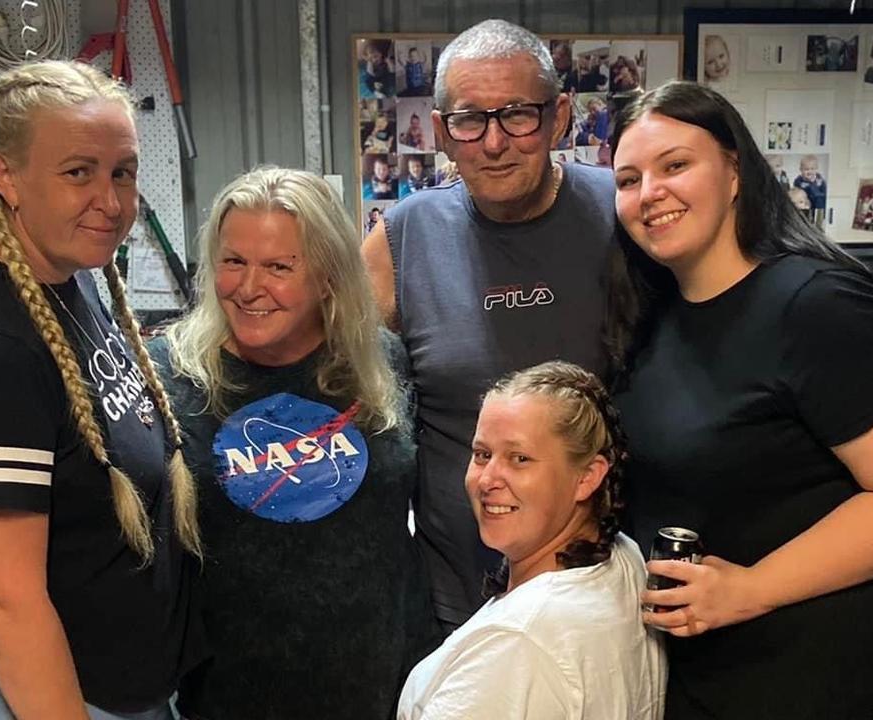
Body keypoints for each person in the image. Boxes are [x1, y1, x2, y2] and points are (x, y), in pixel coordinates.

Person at [609, 81, 873, 718]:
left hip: (812, 666)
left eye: (675, 166)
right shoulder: (661, 316)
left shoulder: (818, 304)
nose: (649, 194)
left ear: (735, 172)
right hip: (708, 665)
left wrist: (752, 588)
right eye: (627, 179)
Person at [0, 60, 202, 720]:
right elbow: (2, 604)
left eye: (121, 171)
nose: (112, 200)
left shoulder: (66, 276)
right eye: (78, 172)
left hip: (116, 686)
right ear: (6, 176)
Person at [362, 18, 634, 630]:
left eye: (518, 114)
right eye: (469, 119)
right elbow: (344, 396)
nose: (493, 142)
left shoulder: (622, 218)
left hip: (603, 595)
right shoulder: (401, 239)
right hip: (457, 601)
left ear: (560, 116)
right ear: (440, 132)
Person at [157, 166, 437, 718]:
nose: (249, 287)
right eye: (233, 261)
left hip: (387, 686)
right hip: (230, 695)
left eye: (279, 267)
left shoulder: (384, 363)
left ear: (329, 276)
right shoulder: (171, 378)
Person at [397, 361, 666, 719]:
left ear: (587, 476)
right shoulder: (622, 558)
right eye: (482, 455)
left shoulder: (516, 646)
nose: (487, 479)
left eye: (519, 458)